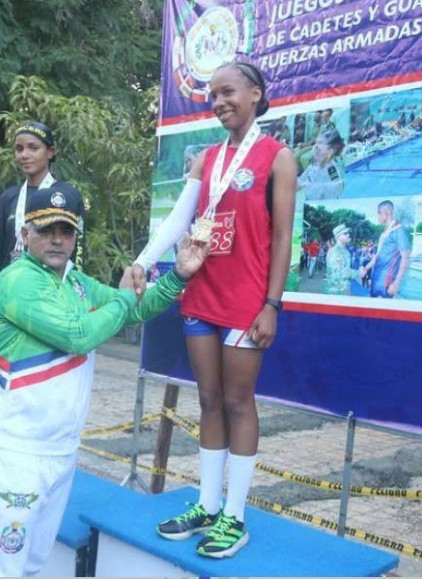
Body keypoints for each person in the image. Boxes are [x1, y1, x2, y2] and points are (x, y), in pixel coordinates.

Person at [0, 185, 208, 576]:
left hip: (59, 450)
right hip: (14, 452)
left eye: (66, 231)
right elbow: (80, 335)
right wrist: (122, 298)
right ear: (25, 234)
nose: (57, 239)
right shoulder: (17, 281)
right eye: (46, 230)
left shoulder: (76, 282)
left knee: (31, 564)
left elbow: (136, 309)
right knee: (0, 567)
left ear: (75, 236)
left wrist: (178, 275)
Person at [130, 61, 296, 558]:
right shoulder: (206, 157)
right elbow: (183, 215)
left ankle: (236, 516)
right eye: (212, 95)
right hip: (201, 296)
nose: (218, 101)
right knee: (207, 399)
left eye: (227, 92)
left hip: (247, 303)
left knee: (238, 401)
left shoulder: (278, 157)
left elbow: (284, 236)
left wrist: (272, 304)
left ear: (255, 94)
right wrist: (142, 260)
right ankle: (206, 503)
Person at [0, 121, 84, 271]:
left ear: (50, 152)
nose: (24, 155)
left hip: (51, 288)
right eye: (19, 149)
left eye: (33, 148)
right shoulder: (7, 197)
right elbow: (0, 252)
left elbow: (78, 251)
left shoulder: (67, 195)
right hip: (12, 285)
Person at [359, 201, 411, 298]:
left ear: (387, 212)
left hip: (386, 282)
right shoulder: (385, 231)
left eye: (379, 213)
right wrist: (366, 268)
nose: (378, 216)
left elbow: (406, 258)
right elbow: (378, 256)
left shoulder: (399, 231)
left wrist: (396, 283)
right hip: (376, 280)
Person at [298, 129, 346, 200]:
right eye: (316, 143)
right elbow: (302, 179)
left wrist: (305, 185)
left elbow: (336, 188)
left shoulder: (332, 170)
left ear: (330, 151)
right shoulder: (314, 166)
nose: (314, 148)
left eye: (320, 143)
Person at [325, 224, 354, 295]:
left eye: (348, 233)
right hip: (336, 291)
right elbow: (341, 273)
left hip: (344, 289)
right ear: (338, 236)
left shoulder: (345, 251)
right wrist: (358, 273)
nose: (348, 235)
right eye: (345, 233)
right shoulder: (335, 252)